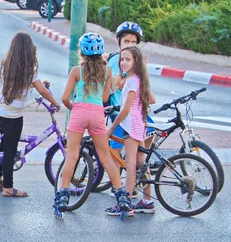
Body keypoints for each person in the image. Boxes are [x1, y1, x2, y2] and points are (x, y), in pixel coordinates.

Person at [55, 32, 132, 218]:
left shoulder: (76, 71)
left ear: (81, 51)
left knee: (72, 156)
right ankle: (121, 196)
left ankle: (63, 196)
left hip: (79, 112)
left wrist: (74, 107)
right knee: (105, 158)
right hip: (97, 113)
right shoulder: (107, 71)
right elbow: (105, 97)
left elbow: (65, 97)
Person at [0, 32, 61, 197]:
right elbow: (42, 90)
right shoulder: (28, 70)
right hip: (13, 116)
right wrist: (55, 102)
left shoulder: (6, 64)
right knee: (10, 150)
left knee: (5, 145)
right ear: (29, 50)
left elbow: (23, 83)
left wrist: (38, 84)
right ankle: (8, 188)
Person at [106, 45, 157, 215]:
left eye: (128, 59)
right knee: (142, 164)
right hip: (139, 123)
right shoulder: (139, 79)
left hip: (130, 124)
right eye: (122, 59)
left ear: (136, 61)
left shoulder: (132, 81)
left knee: (130, 165)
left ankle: (125, 204)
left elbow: (125, 109)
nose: (123, 63)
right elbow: (152, 100)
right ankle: (147, 201)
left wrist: (112, 128)